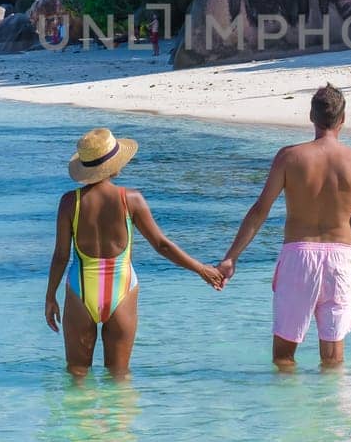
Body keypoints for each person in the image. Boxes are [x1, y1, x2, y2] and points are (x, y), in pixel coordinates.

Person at [218, 83, 351, 369]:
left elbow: (260, 209)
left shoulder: (289, 157)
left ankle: (290, 410)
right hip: (340, 260)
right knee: (333, 361)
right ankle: (335, 412)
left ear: (311, 116)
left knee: (284, 357)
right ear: (343, 119)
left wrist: (231, 257)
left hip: (298, 258)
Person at [45, 127, 223, 376]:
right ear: (114, 165)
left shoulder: (69, 202)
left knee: (77, 375)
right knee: (119, 378)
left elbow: (61, 256)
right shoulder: (131, 199)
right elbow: (162, 245)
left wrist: (50, 297)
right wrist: (201, 268)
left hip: (80, 289)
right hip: (122, 288)